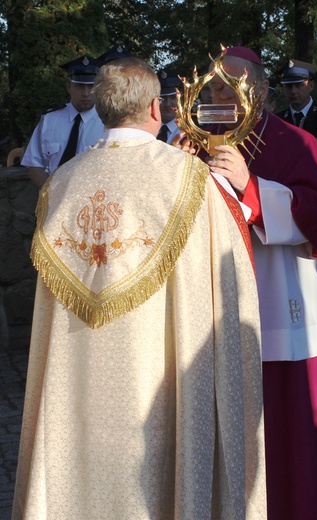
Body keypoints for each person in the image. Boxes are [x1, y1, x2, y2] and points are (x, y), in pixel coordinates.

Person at [12, 57, 267, 520]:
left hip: (77, 378)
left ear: (105, 109)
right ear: (156, 108)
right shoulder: (190, 180)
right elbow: (230, 284)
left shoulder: (61, 184)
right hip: (159, 373)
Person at [196, 46, 317, 520]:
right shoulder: (196, 143)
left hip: (279, 303)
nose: (221, 94)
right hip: (212, 305)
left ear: (256, 87)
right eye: (214, 85)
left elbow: (316, 218)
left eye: (231, 84)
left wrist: (251, 187)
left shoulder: (296, 143)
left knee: (288, 430)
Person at [21, 55, 104, 188]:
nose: (86, 93)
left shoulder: (107, 122)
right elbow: (34, 165)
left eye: (91, 87)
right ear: (68, 87)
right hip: (53, 197)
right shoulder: (50, 119)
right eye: (79, 86)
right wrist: (53, 196)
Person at [277, 58, 317, 129]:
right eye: (288, 86)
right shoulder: (279, 121)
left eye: (298, 85)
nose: (293, 91)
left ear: (311, 85)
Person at [156, 68, 186, 143]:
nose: (168, 104)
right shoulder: (147, 131)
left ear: (182, 98)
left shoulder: (189, 131)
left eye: (173, 97)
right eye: (162, 98)